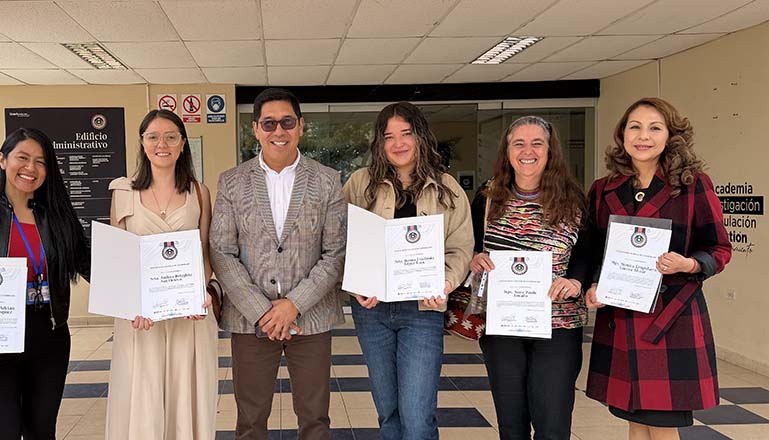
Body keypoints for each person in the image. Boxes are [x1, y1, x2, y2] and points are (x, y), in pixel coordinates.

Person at [583, 98, 731, 440]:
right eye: (634, 127)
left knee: (663, 424)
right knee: (635, 418)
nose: (643, 136)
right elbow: (594, 251)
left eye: (654, 128)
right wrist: (594, 284)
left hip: (671, 319)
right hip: (622, 315)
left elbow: (719, 248)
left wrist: (689, 263)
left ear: (670, 136)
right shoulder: (604, 189)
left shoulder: (694, 184)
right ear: (622, 134)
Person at [210, 88, 347, 440]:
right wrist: (262, 310)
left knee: (315, 419)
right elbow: (222, 251)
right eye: (268, 123)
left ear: (301, 126)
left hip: (311, 317)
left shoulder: (327, 180)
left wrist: (293, 305)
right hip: (249, 319)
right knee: (250, 421)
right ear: (255, 129)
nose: (278, 131)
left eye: (286, 122)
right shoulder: (232, 182)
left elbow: (335, 253)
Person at [341, 102, 473, 439]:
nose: (398, 143)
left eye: (406, 133)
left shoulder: (447, 188)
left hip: (423, 311)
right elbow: (341, 240)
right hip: (372, 311)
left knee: (417, 417)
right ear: (379, 143)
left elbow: (460, 246)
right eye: (389, 136)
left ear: (420, 137)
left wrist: (446, 280)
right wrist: (356, 283)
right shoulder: (360, 183)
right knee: (389, 413)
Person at [468, 115, 593, 440]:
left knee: (552, 426)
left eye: (537, 143)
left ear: (551, 151)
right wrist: (475, 258)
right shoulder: (487, 196)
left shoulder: (574, 197)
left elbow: (587, 251)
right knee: (512, 427)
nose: (528, 151)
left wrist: (576, 281)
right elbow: (471, 245)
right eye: (518, 143)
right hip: (503, 325)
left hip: (558, 327)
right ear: (507, 151)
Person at [0, 127, 91, 440]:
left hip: (48, 334)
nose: (31, 168)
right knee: (1, 433)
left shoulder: (58, 216)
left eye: (41, 162)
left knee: (41, 431)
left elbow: (90, 265)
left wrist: (146, 293)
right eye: (23, 158)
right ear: (3, 160)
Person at [104, 110, 217, 439]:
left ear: (183, 143)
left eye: (170, 136)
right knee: (145, 395)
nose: (161, 144)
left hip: (189, 317)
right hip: (141, 319)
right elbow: (118, 259)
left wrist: (202, 293)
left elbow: (204, 251)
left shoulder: (199, 192)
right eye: (153, 136)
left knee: (188, 395)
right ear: (142, 142)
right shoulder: (124, 192)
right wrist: (132, 305)